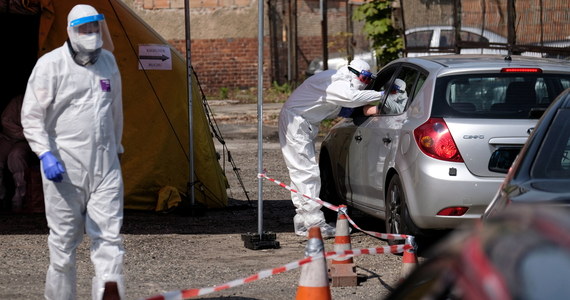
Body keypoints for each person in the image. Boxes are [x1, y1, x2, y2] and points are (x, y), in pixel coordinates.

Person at [21, 4, 125, 300]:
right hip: (64, 168)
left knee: (109, 239)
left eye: (95, 27)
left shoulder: (108, 62)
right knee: (64, 244)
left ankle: (109, 294)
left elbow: (115, 111)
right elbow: (31, 116)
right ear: (70, 31)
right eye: (84, 29)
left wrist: (117, 150)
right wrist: (44, 153)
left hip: (105, 168)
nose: (91, 34)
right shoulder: (50, 65)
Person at [278, 59, 383, 237]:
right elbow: (351, 98)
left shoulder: (337, 86)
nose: (365, 84)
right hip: (296, 123)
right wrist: (383, 95)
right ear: (354, 72)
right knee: (307, 173)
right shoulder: (336, 81)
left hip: (299, 123)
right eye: (364, 79)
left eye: (368, 81)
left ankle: (303, 221)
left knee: (300, 173)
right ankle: (315, 224)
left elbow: (344, 108)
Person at [0, 94, 34, 212]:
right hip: (8, 138)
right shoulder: (17, 101)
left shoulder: (41, 101)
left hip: (27, 141)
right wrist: (22, 133)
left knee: (16, 156)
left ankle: (21, 196)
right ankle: (1, 196)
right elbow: (6, 121)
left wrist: (28, 135)